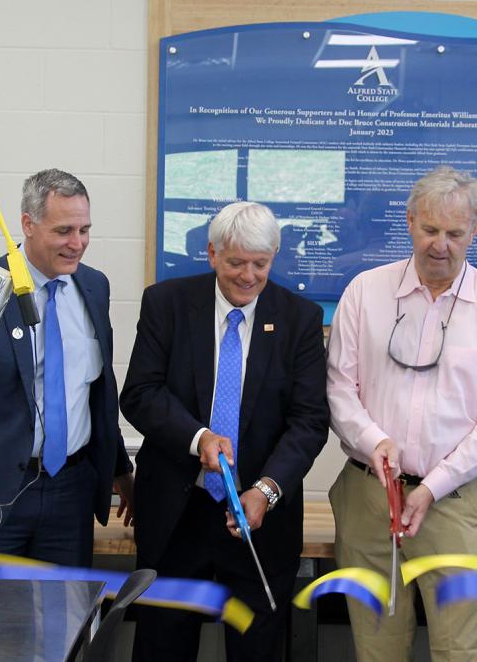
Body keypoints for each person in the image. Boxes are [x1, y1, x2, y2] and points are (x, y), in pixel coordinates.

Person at [327, 165, 477, 662]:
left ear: (475, 231)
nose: (441, 245)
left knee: (460, 649)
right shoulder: (364, 291)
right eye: (430, 230)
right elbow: (339, 387)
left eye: (455, 233)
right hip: (369, 497)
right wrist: (375, 441)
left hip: (453, 503)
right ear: (410, 221)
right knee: (376, 646)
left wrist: (434, 484)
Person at [120, 201, 329, 662]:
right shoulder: (167, 303)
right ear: (212, 254)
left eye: (261, 263)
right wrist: (199, 438)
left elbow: (309, 421)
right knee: (162, 645)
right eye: (236, 262)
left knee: (257, 648)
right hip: (178, 512)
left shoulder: (300, 319)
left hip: (259, 519)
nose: (249, 276)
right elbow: (140, 393)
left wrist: (267, 490)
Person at [0, 169, 133, 566]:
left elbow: (94, 391)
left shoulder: (94, 287)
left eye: (85, 230)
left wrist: (121, 470)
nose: (77, 243)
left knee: (64, 617)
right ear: (27, 225)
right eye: (64, 230)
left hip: (71, 492)